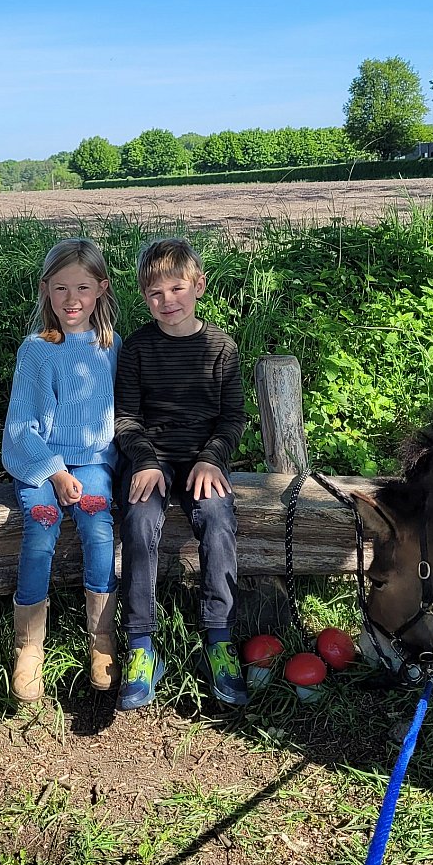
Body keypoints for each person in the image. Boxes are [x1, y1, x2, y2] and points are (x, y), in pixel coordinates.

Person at [114, 237, 248, 711]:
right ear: (143, 297)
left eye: (177, 288)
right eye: (155, 293)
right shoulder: (137, 348)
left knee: (217, 518)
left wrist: (213, 458)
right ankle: (140, 644)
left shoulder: (220, 347)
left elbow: (232, 418)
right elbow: (126, 418)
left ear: (199, 286)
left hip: (202, 460)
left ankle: (219, 637)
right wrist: (145, 460)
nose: (167, 300)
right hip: (151, 459)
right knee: (138, 520)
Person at [1, 238, 121, 703]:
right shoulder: (36, 350)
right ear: (45, 289)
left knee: (96, 523)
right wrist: (54, 472)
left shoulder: (111, 347)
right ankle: (29, 646)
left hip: (92, 460)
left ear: (101, 289)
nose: (72, 300)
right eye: (61, 288)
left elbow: (120, 416)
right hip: (41, 460)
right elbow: (21, 426)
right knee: (42, 524)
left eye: (83, 288)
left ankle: (102, 637)